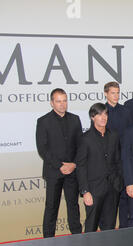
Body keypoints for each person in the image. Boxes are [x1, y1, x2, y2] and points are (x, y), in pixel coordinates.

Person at [36, 88, 82, 238]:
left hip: (72, 171)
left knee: (73, 206)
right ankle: (48, 240)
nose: (62, 104)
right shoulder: (43, 121)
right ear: (51, 103)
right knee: (51, 207)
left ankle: (77, 237)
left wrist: (74, 164)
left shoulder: (75, 119)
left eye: (64, 100)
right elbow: (43, 148)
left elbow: (80, 146)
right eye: (58, 101)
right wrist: (60, 165)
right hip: (54, 171)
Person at [76, 103, 123, 233]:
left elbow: (118, 161)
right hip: (94, 190)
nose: (103, 117)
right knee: (91, 227)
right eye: (99, 114)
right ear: (92, 117)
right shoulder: (85, 139)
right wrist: (85, 191)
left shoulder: (114, 135)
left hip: (112, 188)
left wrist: (119, 182)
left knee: (109, 227)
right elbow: (81, 166)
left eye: (105, 114)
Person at [103, 81, 131, 229]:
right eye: (113, 93)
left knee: (125, 197)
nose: (116, 95)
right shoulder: (101, 112)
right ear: (106, 93)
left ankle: (124, 228)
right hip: (108, 163)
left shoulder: (126, 111)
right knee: (110, 199)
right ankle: (108, 230)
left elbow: (130, 136)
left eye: (118, 92)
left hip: (124, 160)